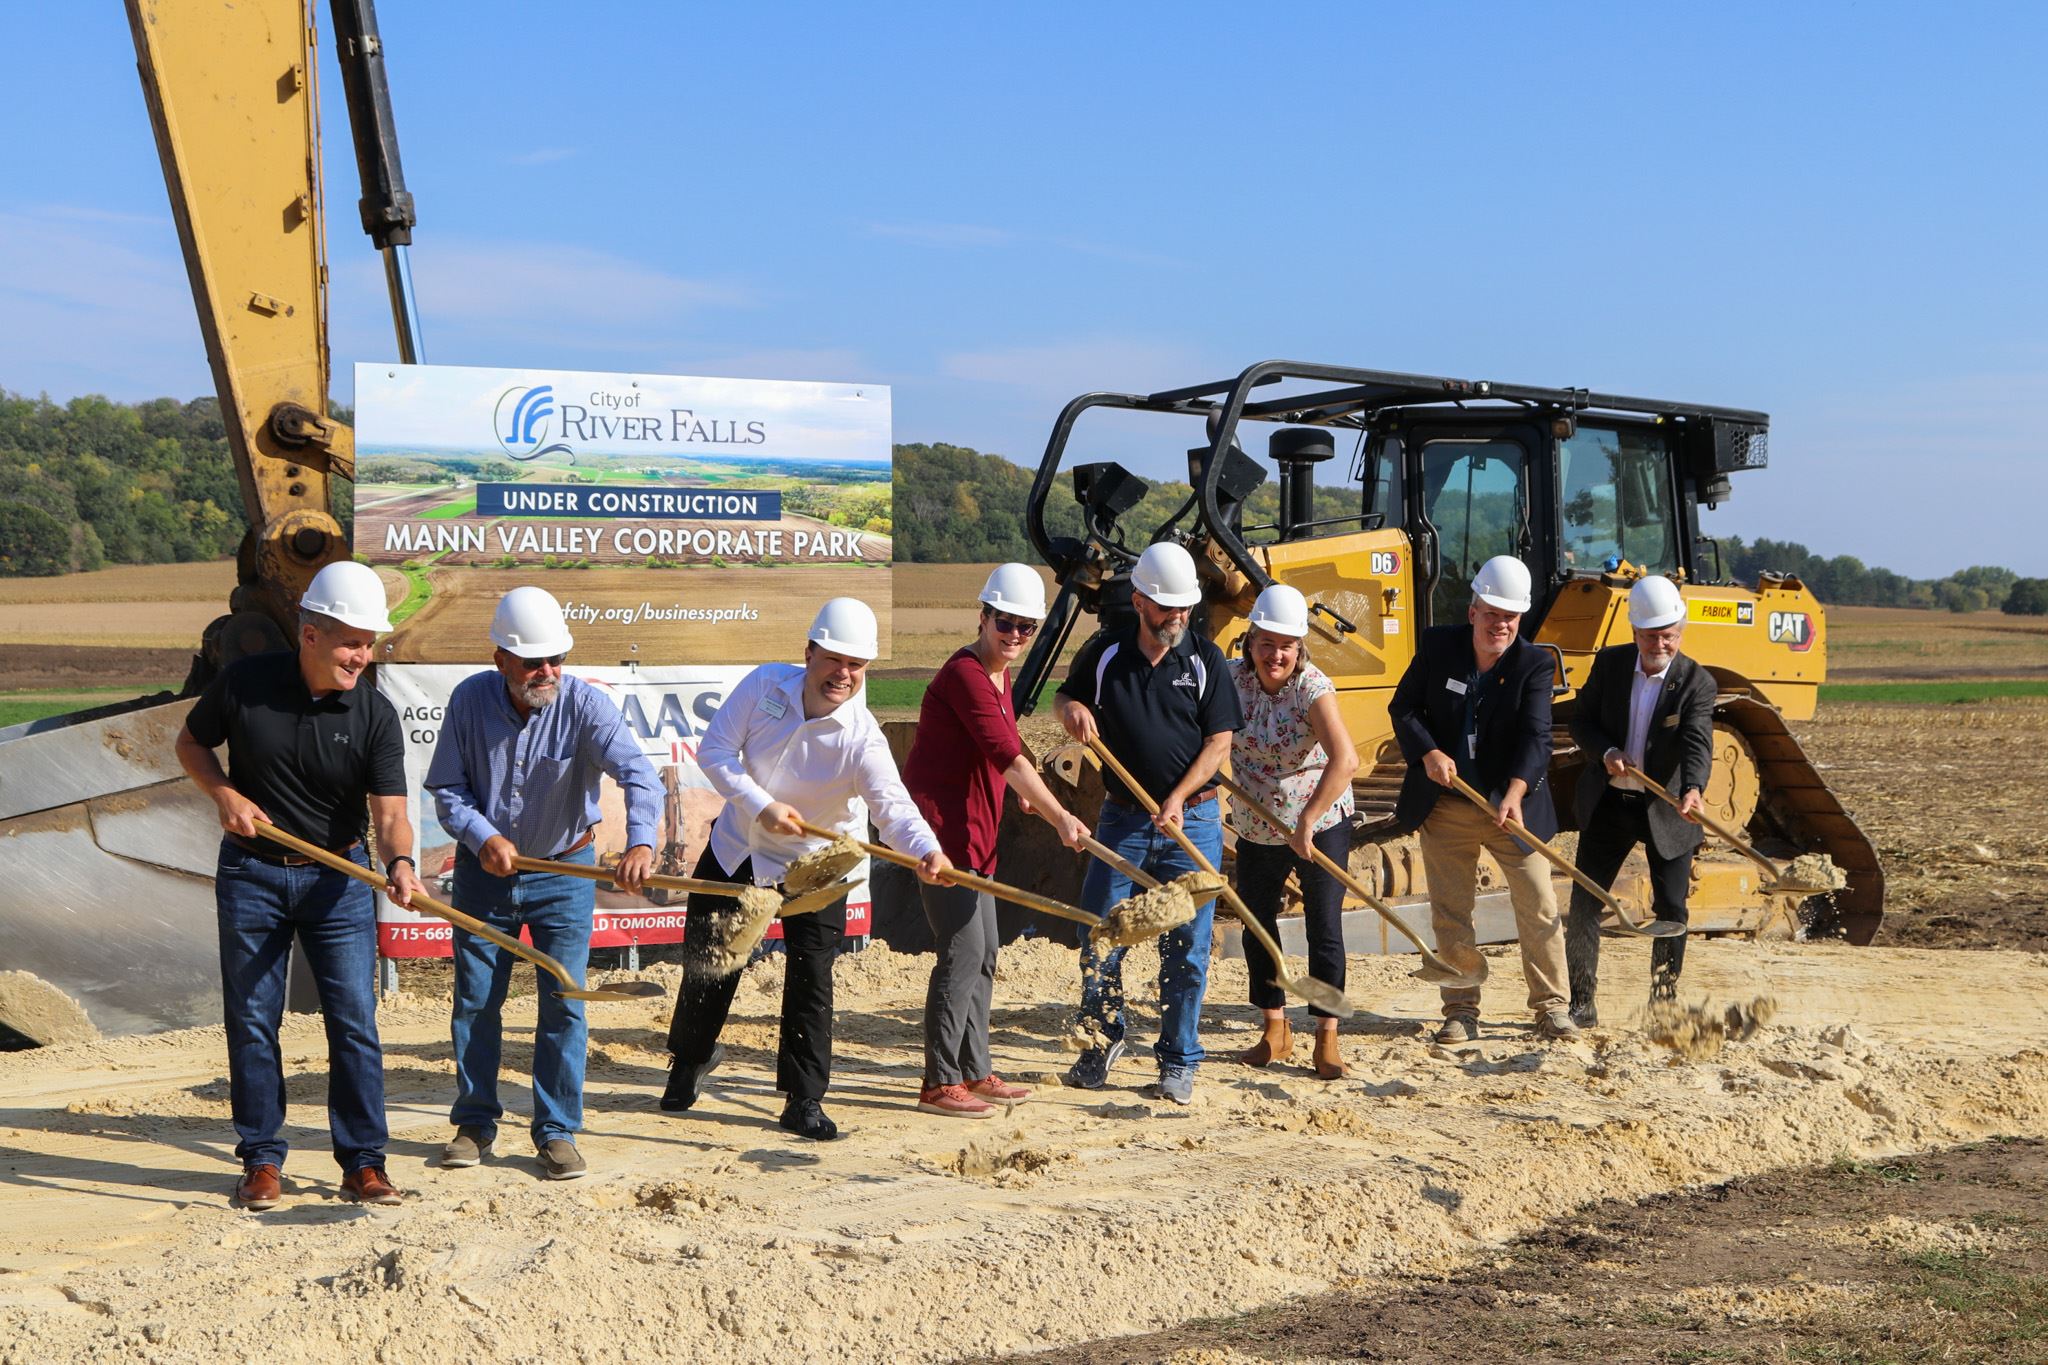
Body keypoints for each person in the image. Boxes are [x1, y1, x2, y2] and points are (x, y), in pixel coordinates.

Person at [172, 560, 423, 1210]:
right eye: (351, 640)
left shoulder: (373, 713)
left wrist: (399, 863)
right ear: (311, 633)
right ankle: (261, 1159)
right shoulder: (245, 684)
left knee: (355, 1022)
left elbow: (391, 815)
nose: (362, 655)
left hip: (339, 880)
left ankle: (364, 1162)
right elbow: (191, 744)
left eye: (369, 642)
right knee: (253, 1018)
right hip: (252, 873)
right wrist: (223, 792)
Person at [662, 597, 952, 1140]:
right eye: (833, 659)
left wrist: (926, 850)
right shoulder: (764, 686)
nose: (843, 674)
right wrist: (761, 806)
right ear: (810, 652)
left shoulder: (862, 739)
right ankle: (690, 1060)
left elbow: (894, 809)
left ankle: (803, 1099)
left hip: (815, 870)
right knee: (710, 960)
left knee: (811, 978)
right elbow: (716, 751)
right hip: (736, 848)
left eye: (856, 665)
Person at [424, 585, 663, 1179]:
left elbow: (640, 776)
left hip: (568, 872)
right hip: (485, 878)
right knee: (477, 1002)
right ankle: (475, 1122)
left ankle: (557, 1131)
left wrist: (639, 842)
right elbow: (449, 791)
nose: (547, 671)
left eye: (556, 658)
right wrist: (485, 838)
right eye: (533, 661)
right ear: (500, 657)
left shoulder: (585, 705)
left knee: (565, 1002)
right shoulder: (469, 701)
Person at [1054, 541, 1243, 1104]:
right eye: (1167, 608)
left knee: (1187, 945)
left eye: (1184, 608)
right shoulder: (1105, 653)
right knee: (1098, 932)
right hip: (1123, 820)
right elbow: (1064, 699)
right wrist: (1073, 713)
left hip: (1195, 820)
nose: (1177, 618)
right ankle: (1101, 1040)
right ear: (1139, 602)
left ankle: (1179, 1060)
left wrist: (1180, 798)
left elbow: (1219, 742)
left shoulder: (1205, 661)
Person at [902, 564, 1091, 1118]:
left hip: (978, 833)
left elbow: (1006, 746)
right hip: (943, 837)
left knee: (984, 951)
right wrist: (1059, 816)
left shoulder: (998, 676)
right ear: (983, 617)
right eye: (1005, 622)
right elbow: (1006, 755)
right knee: (960, 953)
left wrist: (1026, 793)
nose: (1014, 635)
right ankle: (939, 1082)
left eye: (1026, 627)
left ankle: (975, 1069)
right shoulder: (964, 674)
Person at [1388, 555, 1575, 1044]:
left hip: (1510, 812)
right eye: (1492, 613)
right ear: (1473, 611)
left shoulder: (1534, 664)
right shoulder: (1438, 647)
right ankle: (1461, 1009)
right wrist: (1428, 751)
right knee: (1451, 911)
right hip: (1447, 806)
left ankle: (1552, 1008)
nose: (1501, 624)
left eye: (1510, 617)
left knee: (1538, 905)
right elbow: (1403, 706)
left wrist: (1514, 793)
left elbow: (1537, 738)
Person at [1565, 575, 1715, 1025]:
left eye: (1668, 635)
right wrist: (1606, 752)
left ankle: (1663, 1003)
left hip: (1667, 809)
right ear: (1634, 633)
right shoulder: (1610, 666)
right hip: (1610, 803)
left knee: (1672, 909)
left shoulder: (1696, 683)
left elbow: (1697, 743)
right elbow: (1581, 722)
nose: (1660, 644)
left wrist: (1693, 789)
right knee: (1585, 904)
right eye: (1651, 636)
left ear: (1680, 631)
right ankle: (1581, 1003)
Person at [1227, 584, 1359, 1080]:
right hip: (1257, 822)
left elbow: (1346, 759)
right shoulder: (1232, 681)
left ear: (1300, 647)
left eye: (1286, 645)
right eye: (1266, 642)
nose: (1275, 654)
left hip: (1318, 821)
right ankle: (1274, 1028)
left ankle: (1326, 1034)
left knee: (1323, 927)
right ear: (1251, 641)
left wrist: (1307, 820)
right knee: (1257, 924)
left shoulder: (1313, 688)